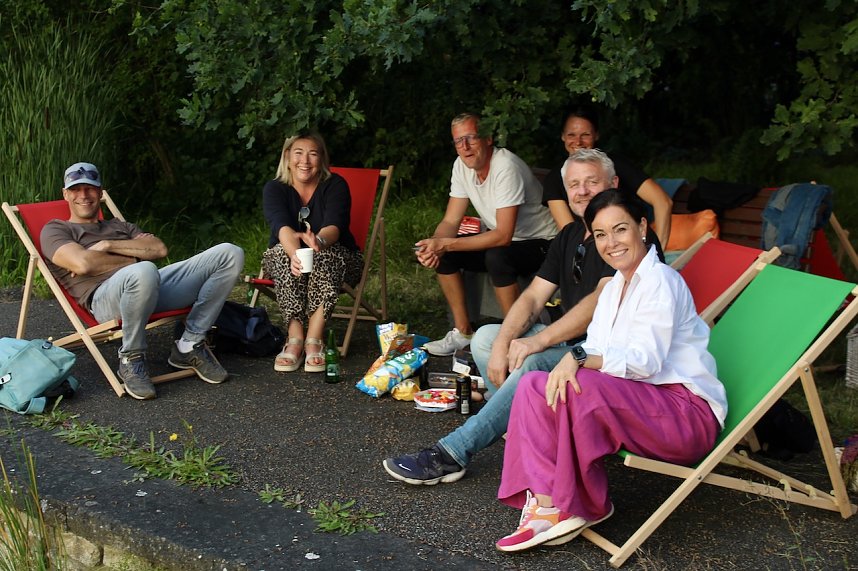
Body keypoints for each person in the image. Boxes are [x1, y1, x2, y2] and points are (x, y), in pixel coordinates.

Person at [382, 150, 663, 485]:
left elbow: (599, 303)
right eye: (574, 184)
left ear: (614, 184)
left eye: (592, 181)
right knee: (487, 338)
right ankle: (515, 420)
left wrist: (538, 341)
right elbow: (532, 296)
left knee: (533, 361)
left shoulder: (623, 240)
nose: (583, 191)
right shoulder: (571, 235)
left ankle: (454, 452)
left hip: (603, 352)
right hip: (574, 343)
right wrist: (504, 343)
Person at [494, 189, 726, 552]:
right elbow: (599, 347)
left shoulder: (661, 281)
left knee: (579, 381)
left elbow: (645, 361)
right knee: (534, 385)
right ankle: (546, 503)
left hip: (685, 416)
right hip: (642, 404)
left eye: (620, 229)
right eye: (601, 235)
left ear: (643, 227)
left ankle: (584, 503)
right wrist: (579, 358)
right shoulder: (617, 285)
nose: (611, 243)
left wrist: (579, 357)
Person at [41, 162, 244, 400]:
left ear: (100, 192)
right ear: (65, 194)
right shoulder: (55, 230)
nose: (83, 195)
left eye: (90, 188)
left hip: (147, 286)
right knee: (145, 270)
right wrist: (135, 256)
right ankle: (131, 357)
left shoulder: (119, 225)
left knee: (230, 253)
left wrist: (108, 246)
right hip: (105, 300)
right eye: (76, 189)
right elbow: (83, 264)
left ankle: (189, 344)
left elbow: (158, 248)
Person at [418, 113, 558, 357]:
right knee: (446, 256)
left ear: (488, 138)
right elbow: (451, 220)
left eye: (471, 138)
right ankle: (463, 332)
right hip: (506, 240)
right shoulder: (461, 165)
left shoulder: (506, 166)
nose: (465, 147)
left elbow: (503, 235)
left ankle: (514, 337)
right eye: (458, 141)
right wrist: (434, 245)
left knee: (497, 256)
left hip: (542, 241)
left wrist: (446, 244)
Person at [261, 132, 363, 373]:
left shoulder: (335, 185)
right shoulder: (275, 188)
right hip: (290, 260)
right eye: (298, 153)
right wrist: (296, 254)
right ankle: (295, 338)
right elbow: (281, 227)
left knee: (326, 255)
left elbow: (334, 227)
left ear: (322, 159)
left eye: (313, 154)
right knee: (280, 254)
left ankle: (313, 339)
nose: (305, 161)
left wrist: (317, 241)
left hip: (340, 261)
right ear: (287, 157)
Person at [541, 106, 673, 246]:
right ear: (562, 136)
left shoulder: (615, 164)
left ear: (596, 135)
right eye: (571, 135)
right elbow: (569, 232)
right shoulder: (554, 178)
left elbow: (663, 202)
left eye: (585, 135)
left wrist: (658, 250)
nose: (578, 141)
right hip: (591, 250)